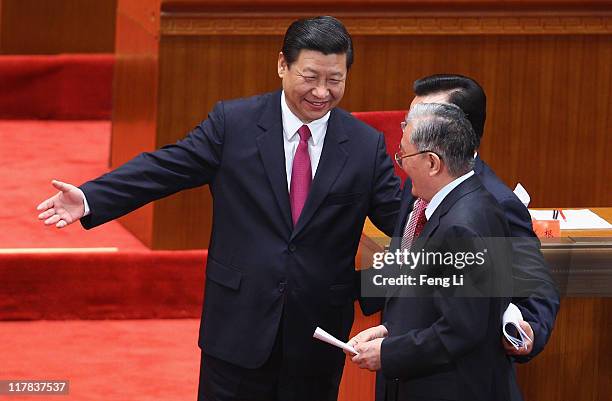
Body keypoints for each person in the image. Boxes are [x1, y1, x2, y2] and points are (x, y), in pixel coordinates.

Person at [36, 16, 401, 401]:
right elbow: (166, 168)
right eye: (310, 77)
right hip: (236, 329)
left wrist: (459, 259)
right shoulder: (235, 124)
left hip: (318, 337)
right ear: (282, 65)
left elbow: (405, 224)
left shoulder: (364, 145)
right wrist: (92, 197)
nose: (322, 92)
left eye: (335, 80)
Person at [351, 102, 515, 401]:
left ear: (432, 163)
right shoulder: (465, 205)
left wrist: (390, 353)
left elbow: (461, 330)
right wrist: (390, 330)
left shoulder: (462, 228)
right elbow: (436, 299)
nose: (399, 162)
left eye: (403, 155)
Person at [407, 74, 559, 365]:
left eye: (422, 120)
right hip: (405, 360)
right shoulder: (418, 176)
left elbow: (535, 283)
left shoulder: (498, 203)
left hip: (456, 371)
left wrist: (528, 328)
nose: (411, 130)